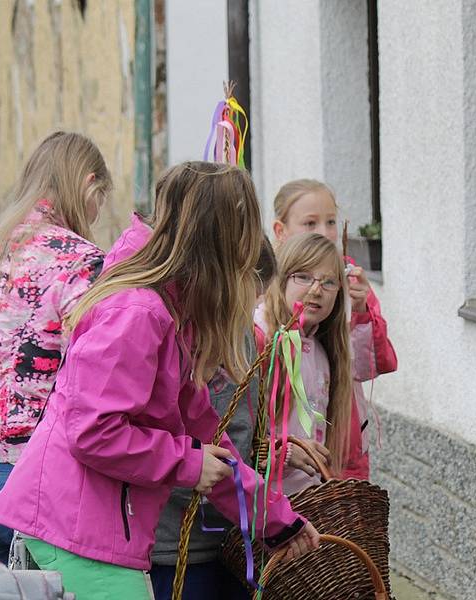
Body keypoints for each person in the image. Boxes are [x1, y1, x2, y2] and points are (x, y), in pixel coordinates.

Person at [0, 162, 319, 600]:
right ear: (219, 252)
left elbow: (206, 436)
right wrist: (188, 462)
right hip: (71, 528)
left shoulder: (168, 313)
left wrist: (278, 522)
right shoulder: (139, 312)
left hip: (92, 530)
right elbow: (93, 430)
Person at [0, 131, 111, 563]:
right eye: (100, 198)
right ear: (88, 183)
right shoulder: (83, 259)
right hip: (31, 474)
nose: (97, 211)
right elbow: (94, 367)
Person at [149, 236, 278, 600]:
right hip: (178, 541)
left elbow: (241, 430)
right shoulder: (176, 335)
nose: (252, 309)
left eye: (259, 299)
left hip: (236, 536)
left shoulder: (246, 340)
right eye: (249, 297)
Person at [271, 179, 397, 479]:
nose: (325, 233)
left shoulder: (349, 282)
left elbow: (368, 366)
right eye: (310, 223)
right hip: (282, 460)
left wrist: (363, 310)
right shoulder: (271, 286)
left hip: (339, 442)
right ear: (281, 231)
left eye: (330, 221)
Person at [255, 233, 353, 494]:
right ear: (281, 277)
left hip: (306, 499)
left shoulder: (322, 350)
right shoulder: (260, 338)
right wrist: (283, 452)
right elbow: (237, 431)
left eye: (329, 281)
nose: (315, 290)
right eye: (304, 276)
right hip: (259, 501)